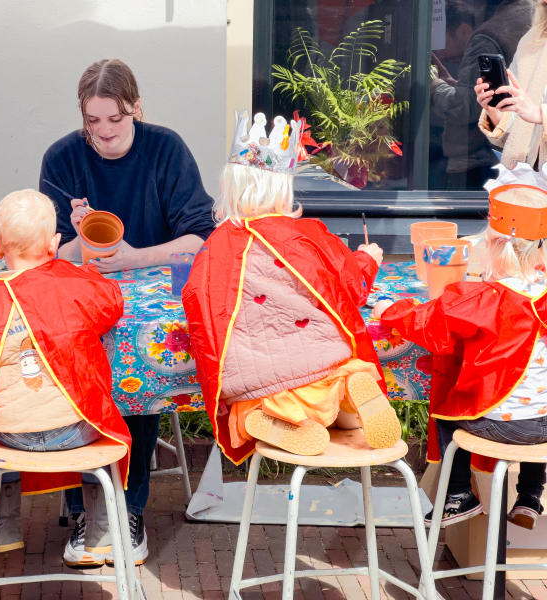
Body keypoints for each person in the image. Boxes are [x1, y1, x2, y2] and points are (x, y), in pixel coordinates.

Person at [38, 58, 215, 564]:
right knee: (71, 364)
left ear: (136, 107)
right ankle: (83, 510)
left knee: (136, 367)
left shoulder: (165, 149)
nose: (103, 133)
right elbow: (42, 247)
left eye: (114, 119)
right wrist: (74, 242)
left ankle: (128, 508)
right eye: (92, 122)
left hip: (153, 296)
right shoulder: (64, 157)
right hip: (81, 295)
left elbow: (202, 235)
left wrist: (137, 256)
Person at [182, 110, 398, 466]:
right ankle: (353, 395)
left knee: (246, 413)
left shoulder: (216, 246)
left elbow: (198, 304)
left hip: (261, 386)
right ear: (284, 187)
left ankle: (271, 423)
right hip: (325, 368)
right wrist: (368, 260)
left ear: (229, 189)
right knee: (348, 376)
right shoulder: (307, 235)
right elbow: (350, 287)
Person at [0, 190, 131, 563]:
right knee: (100, 439)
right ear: (54, 244)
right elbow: (112, 300)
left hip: (5, 439)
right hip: (73, 432)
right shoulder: (76, 285)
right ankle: (100, 534)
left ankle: (5, 527)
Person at [374, 179, 547, 529]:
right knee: (538, 402)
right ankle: (529, 496)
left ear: (493, 245)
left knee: (448, 407)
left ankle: (458, 496)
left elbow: (426, 323)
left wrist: (390, 308)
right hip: (544, 424)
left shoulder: (481, 297)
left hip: (501, 426)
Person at [431, 0, 534, 189]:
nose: (440, 54)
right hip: (525, 158)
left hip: (481, 160)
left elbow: (465, 107)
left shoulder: (487, 36)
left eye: (441, 42)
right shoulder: (530, 15)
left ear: (463, 31)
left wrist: (433, 86)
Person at [476, 0, 547, 169]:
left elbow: (532, 113)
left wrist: (539, 113)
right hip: (529, 179)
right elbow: (517, 132)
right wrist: (495, 112)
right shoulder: (532, 41)